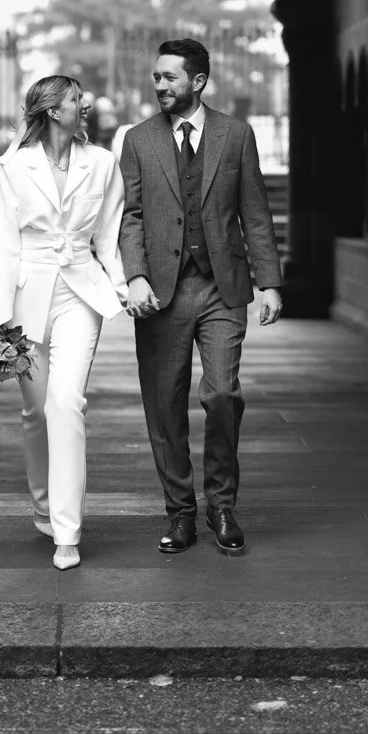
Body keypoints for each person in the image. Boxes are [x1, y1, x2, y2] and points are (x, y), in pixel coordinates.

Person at [117, 39, 283, 555]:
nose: (159, 85)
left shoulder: (236, 135)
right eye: (156, 77)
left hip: (222, 287)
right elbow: (132, 216)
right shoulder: (139, 140)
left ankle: (222, 505)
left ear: (198, 81)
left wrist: (269, 281)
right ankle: (181, 513)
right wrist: (135, 275)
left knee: (222, 395)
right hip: (162, 291)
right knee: (164, 405)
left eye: (169, 77)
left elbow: (254, 211)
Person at [0, 75, 129, 571]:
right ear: (50, 110)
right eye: (73, 100)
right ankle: (42, 503)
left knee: (66, 401)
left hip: (80, 291)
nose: (83, 105)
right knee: (36, 411)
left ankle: (68, 531)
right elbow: (1, 244)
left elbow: (109, 236)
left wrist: (125, 287)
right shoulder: (12, 166)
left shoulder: (103, 163)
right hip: (25, 295)